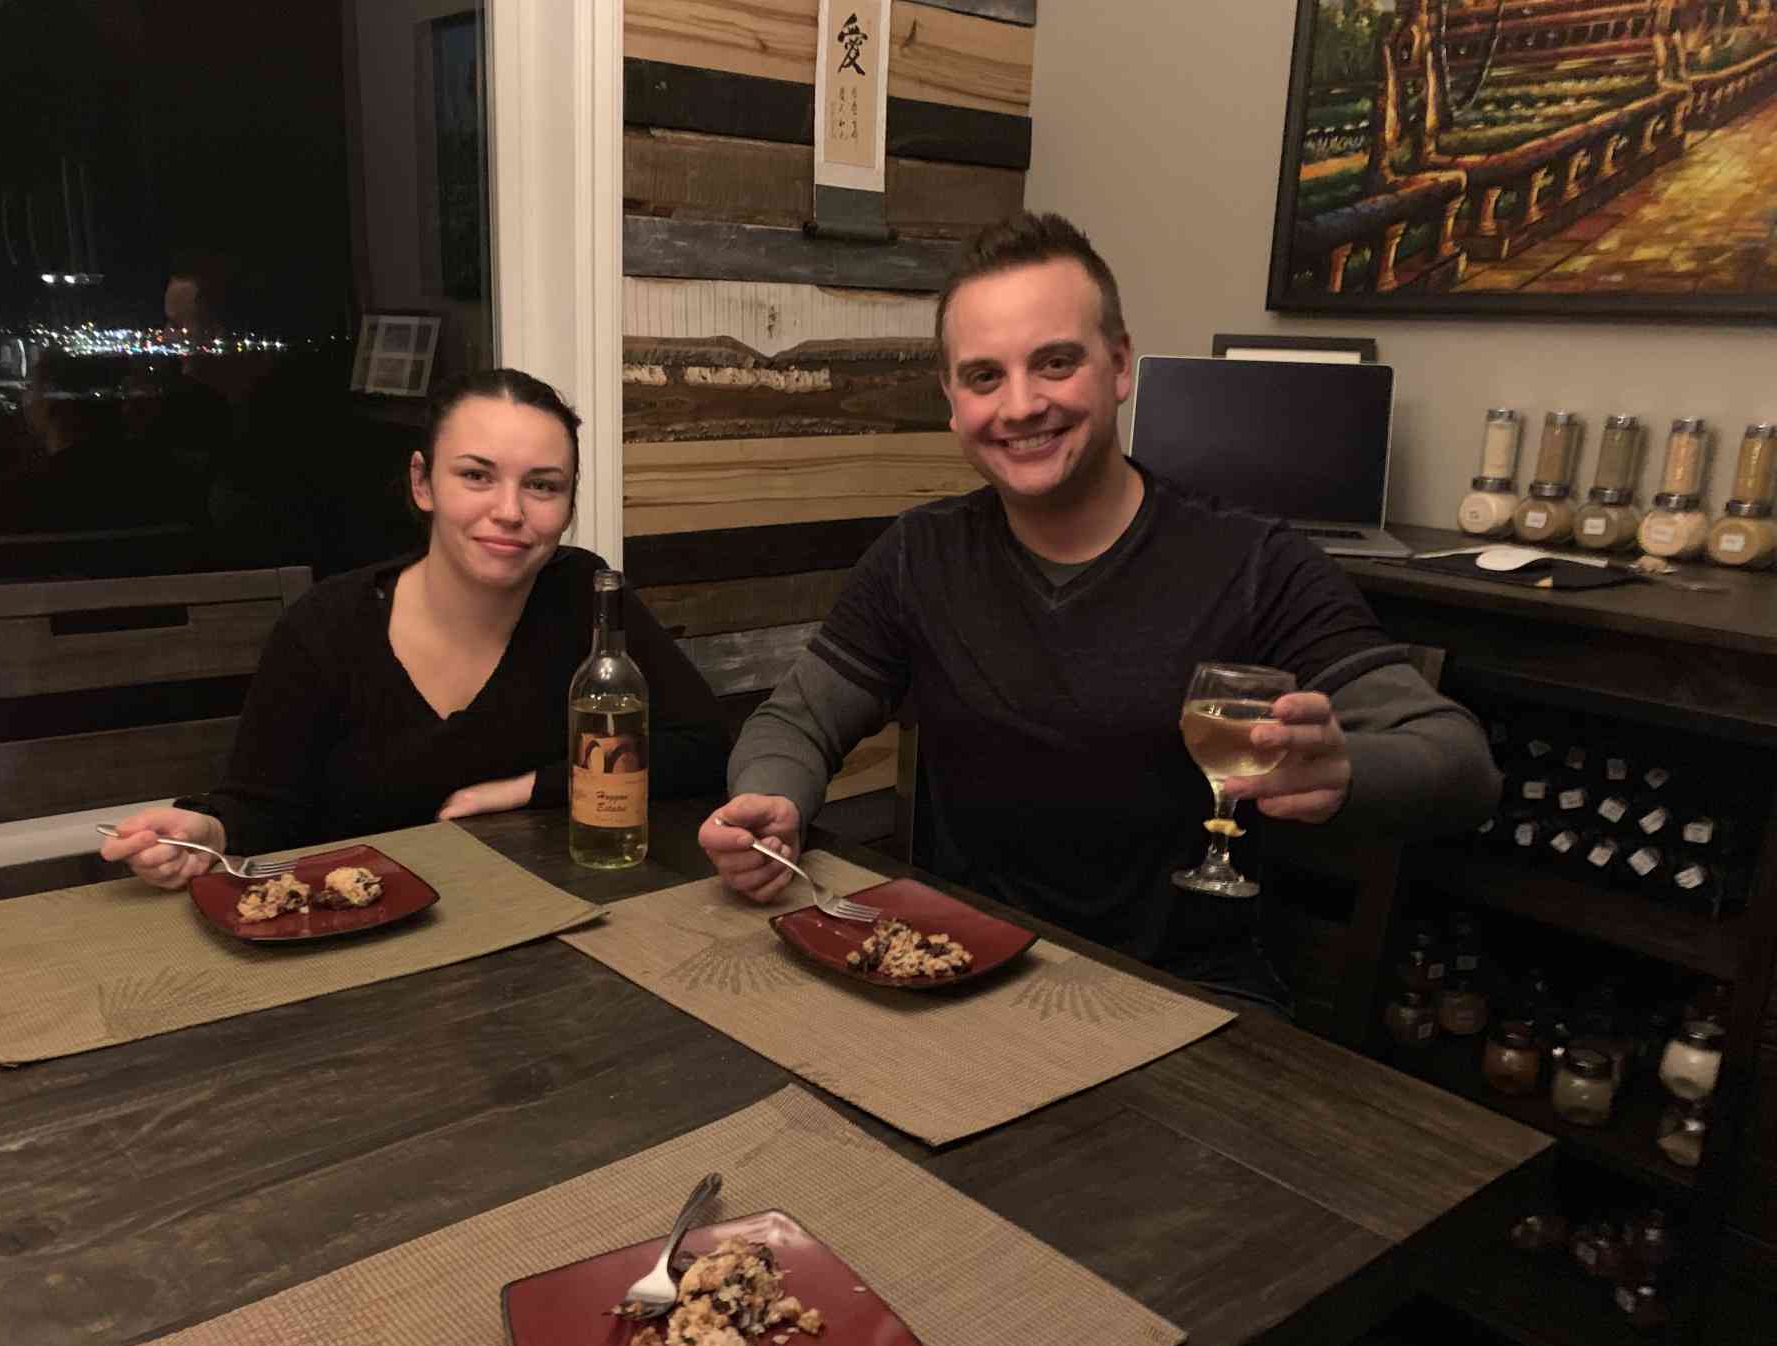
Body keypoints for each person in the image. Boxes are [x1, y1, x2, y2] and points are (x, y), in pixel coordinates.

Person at [697, 213, 1501, 1007]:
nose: (1020, 406)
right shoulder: (919, 554)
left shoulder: (1256, 564)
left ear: (1118, 365)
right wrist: (772, 802)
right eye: (984, 377)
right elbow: (795, 722)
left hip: (1183, 995)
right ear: (951, 400)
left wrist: (1344, 770)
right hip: (957, 971)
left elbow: (1460, 762)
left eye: (1055, 363)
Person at [102, 367, 729, 887]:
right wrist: (206, 833)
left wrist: (528, 787)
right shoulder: (325, 627)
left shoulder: (585, 596)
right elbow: (262, 808)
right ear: (422, 483)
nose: (509, 511)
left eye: (542, 485)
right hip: (359, 941)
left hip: (544, 913)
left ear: (567, 506)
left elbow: (701, 747)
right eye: (476, 475)